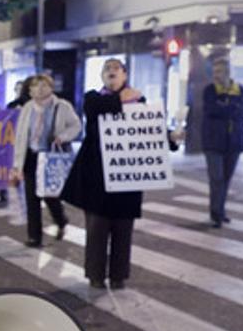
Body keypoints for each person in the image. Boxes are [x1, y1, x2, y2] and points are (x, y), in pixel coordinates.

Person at [61, 58, 144, 289]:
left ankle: (119, 275)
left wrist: (171, 139)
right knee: (96, 229)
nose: (111, 71)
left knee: (123, 229)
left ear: (125, 75)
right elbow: (95, 110)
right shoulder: (93, 98)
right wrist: (120, 99)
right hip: (97, 176)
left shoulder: (139, 101)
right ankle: (95, 274)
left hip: (128, 175)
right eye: (107, 69)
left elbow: (149, 131)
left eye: (116, 68)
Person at [10, 74, 81, 246]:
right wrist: (17, 165)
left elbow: (76, 125)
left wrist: (63, 137)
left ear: (51, 88)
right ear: (30, 90)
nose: (39, 89)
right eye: (35, 86)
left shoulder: (62, 106)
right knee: (31, 198)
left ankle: (61, 220)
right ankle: (34, 236)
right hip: (31, 157)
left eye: (44, 85)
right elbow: (20, 137)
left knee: (50, 196)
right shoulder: (27, 107)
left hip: (50, 157)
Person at [202, 54, 243, 228]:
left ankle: (220, 211)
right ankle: (216, 215)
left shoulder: (241, 91)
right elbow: (211, 110)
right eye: (214, 71)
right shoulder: (209, 91)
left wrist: (225, 108)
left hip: (234, 142)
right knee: (216, 178)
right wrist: (232, 108)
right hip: (213, 142)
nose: (216, 75)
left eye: (220, 72)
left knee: (226, 179)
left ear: (228, 73)